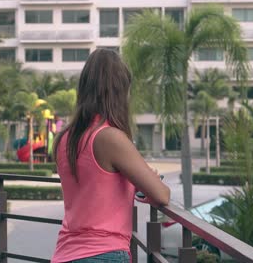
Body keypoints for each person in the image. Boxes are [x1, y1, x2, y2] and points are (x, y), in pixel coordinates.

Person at [51, 49, 170, 263]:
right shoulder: (110, 138)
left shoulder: (63, 138)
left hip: (64, 254)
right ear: (118, 91)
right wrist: (149, 182)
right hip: (104, 253)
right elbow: (162, 195)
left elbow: (95, 185)